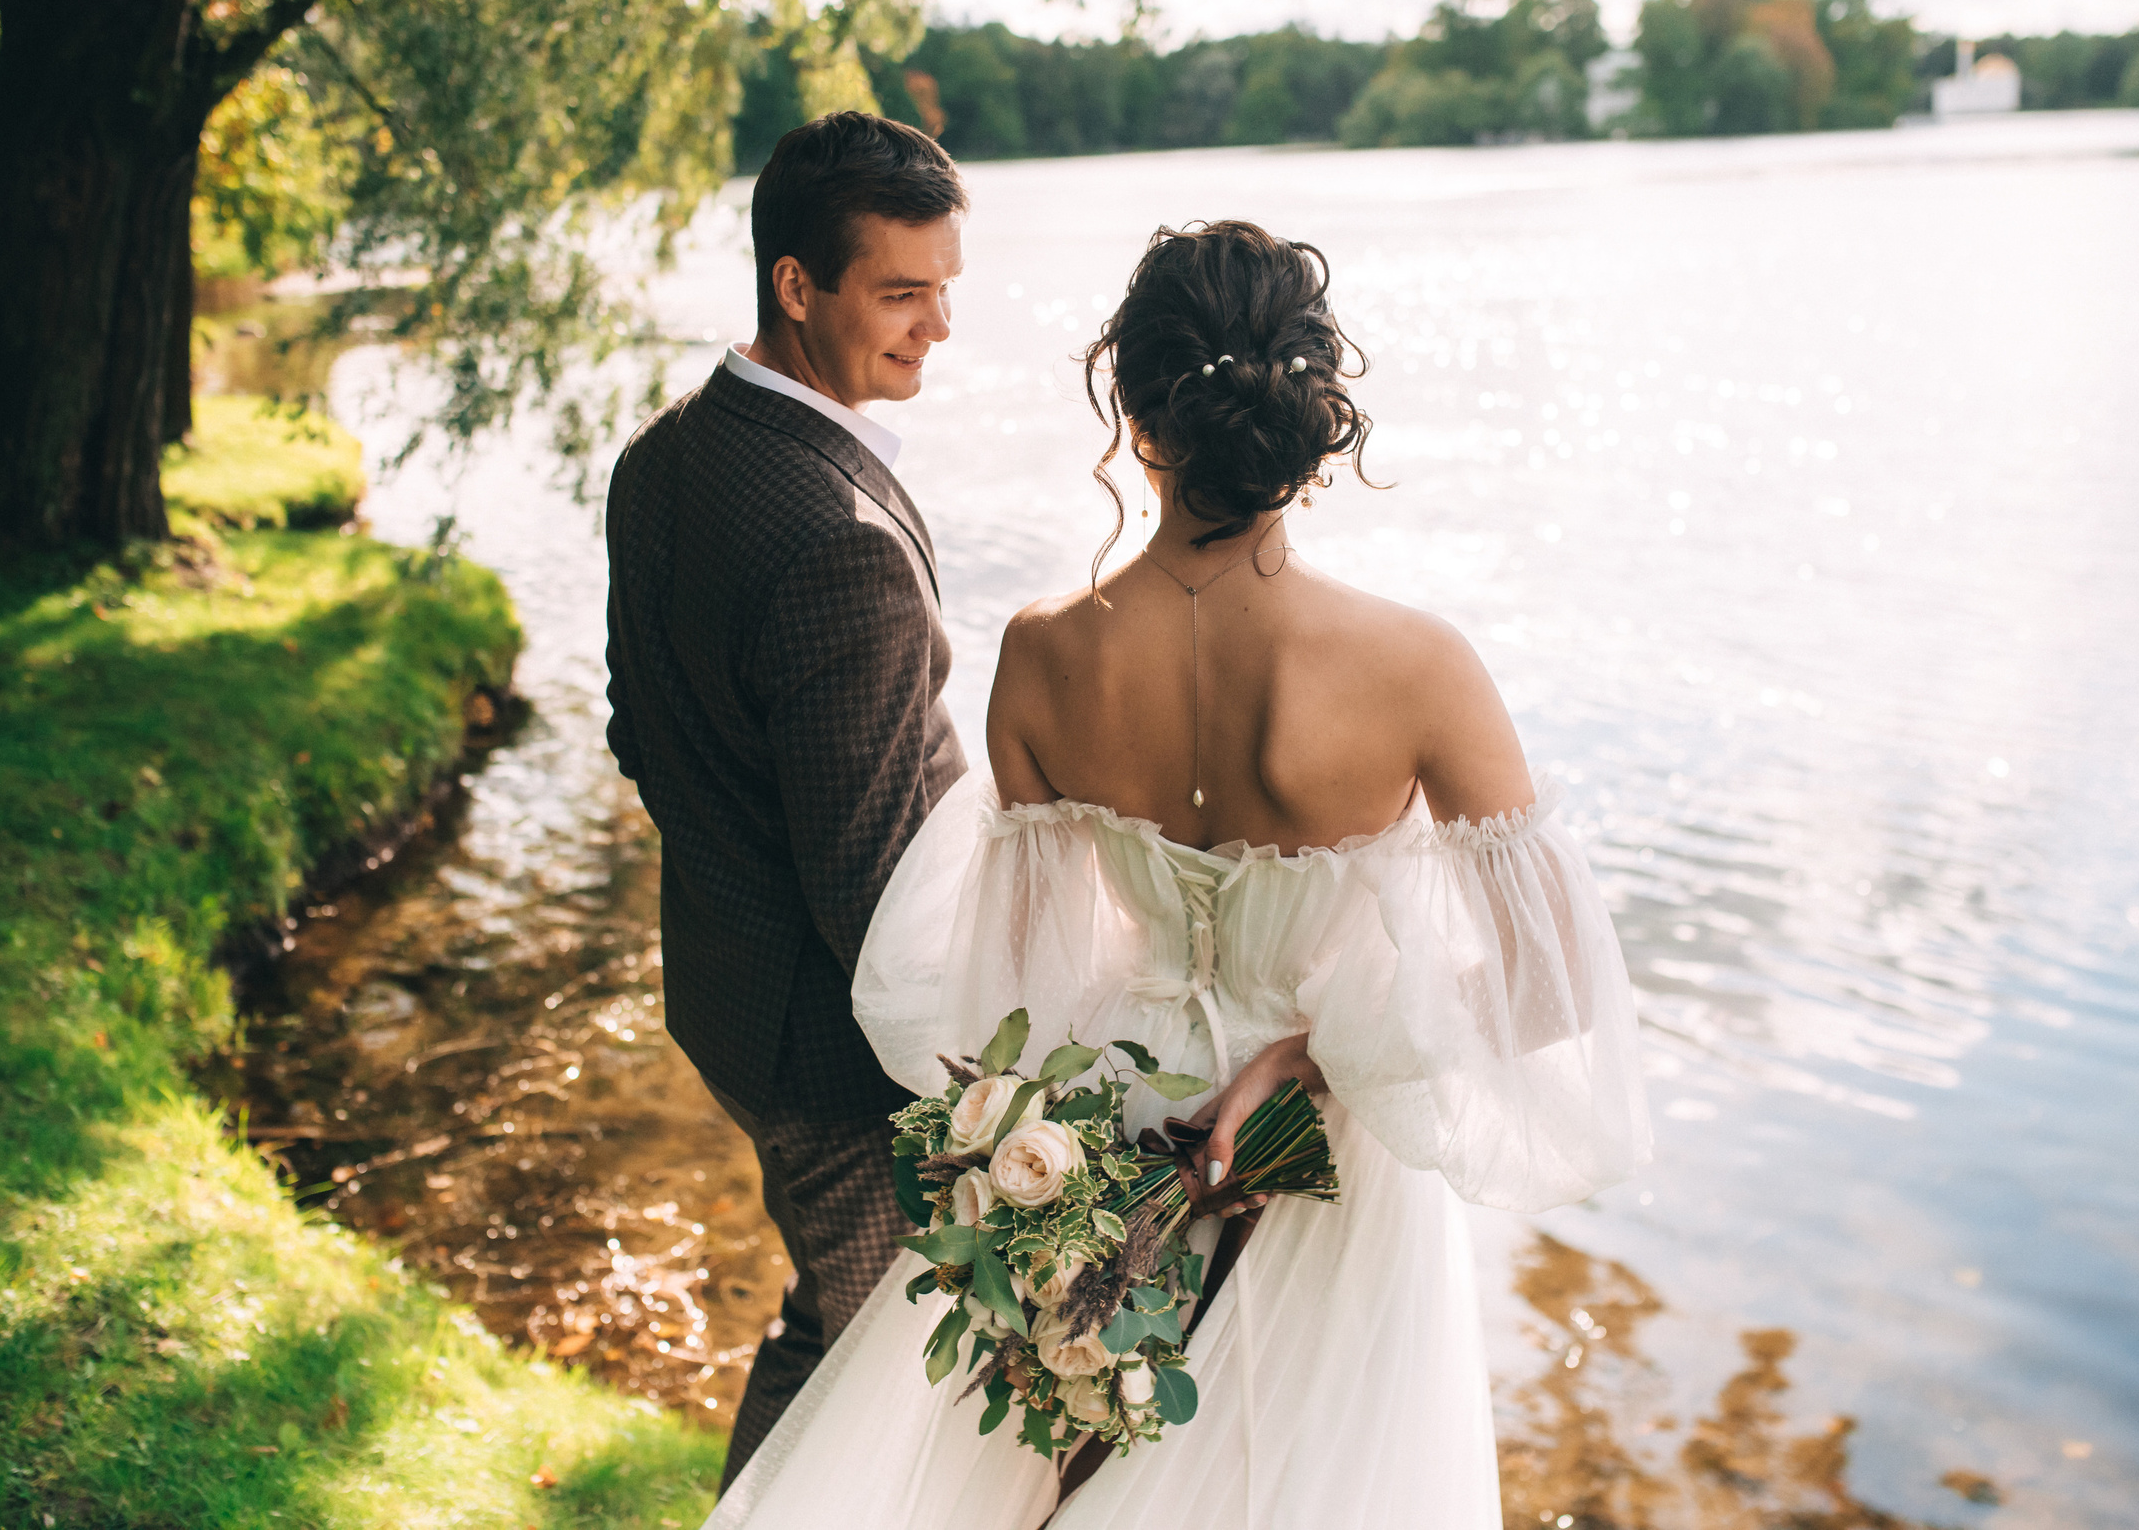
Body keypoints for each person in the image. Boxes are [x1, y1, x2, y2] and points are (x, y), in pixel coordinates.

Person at [702, 219, 1652, 1528]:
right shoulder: (1420, 666)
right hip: (1323, 1154)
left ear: (1133, 410)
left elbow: (1003, 1004)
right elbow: (1555, 984)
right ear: (1313, 420)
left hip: (1111, 1144)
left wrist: (1043, 1168)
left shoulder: (1042, 655)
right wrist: (1318, 1060)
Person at [601, 111, 971, 1486]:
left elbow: (642, 729)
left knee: (837, 1325)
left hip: (726, 989)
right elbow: (872, 888)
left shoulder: (664, 455)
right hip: (835, 1054)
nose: (934, 327)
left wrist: (731, 865)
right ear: (795, 285)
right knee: (884, 1386)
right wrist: (988, 1077)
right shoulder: (841, 542)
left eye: (944, 290)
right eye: (899, 293)